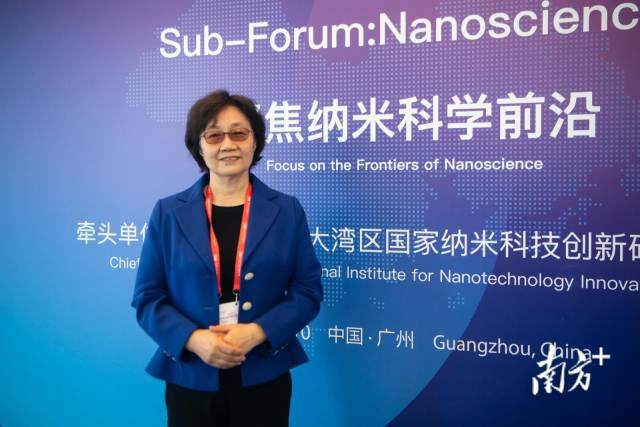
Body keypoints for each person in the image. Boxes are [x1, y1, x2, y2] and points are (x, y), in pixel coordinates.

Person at [130, 89, 323, 426]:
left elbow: (307, 291)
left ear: (255, 142)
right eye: (214, 135)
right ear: (199, 146)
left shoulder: (286, 211)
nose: (228, 144)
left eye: (239, 133)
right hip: (191, 375)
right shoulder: (168, 213)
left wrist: (259, 331)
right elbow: (148, 298)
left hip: (263, 375)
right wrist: (194, 340)